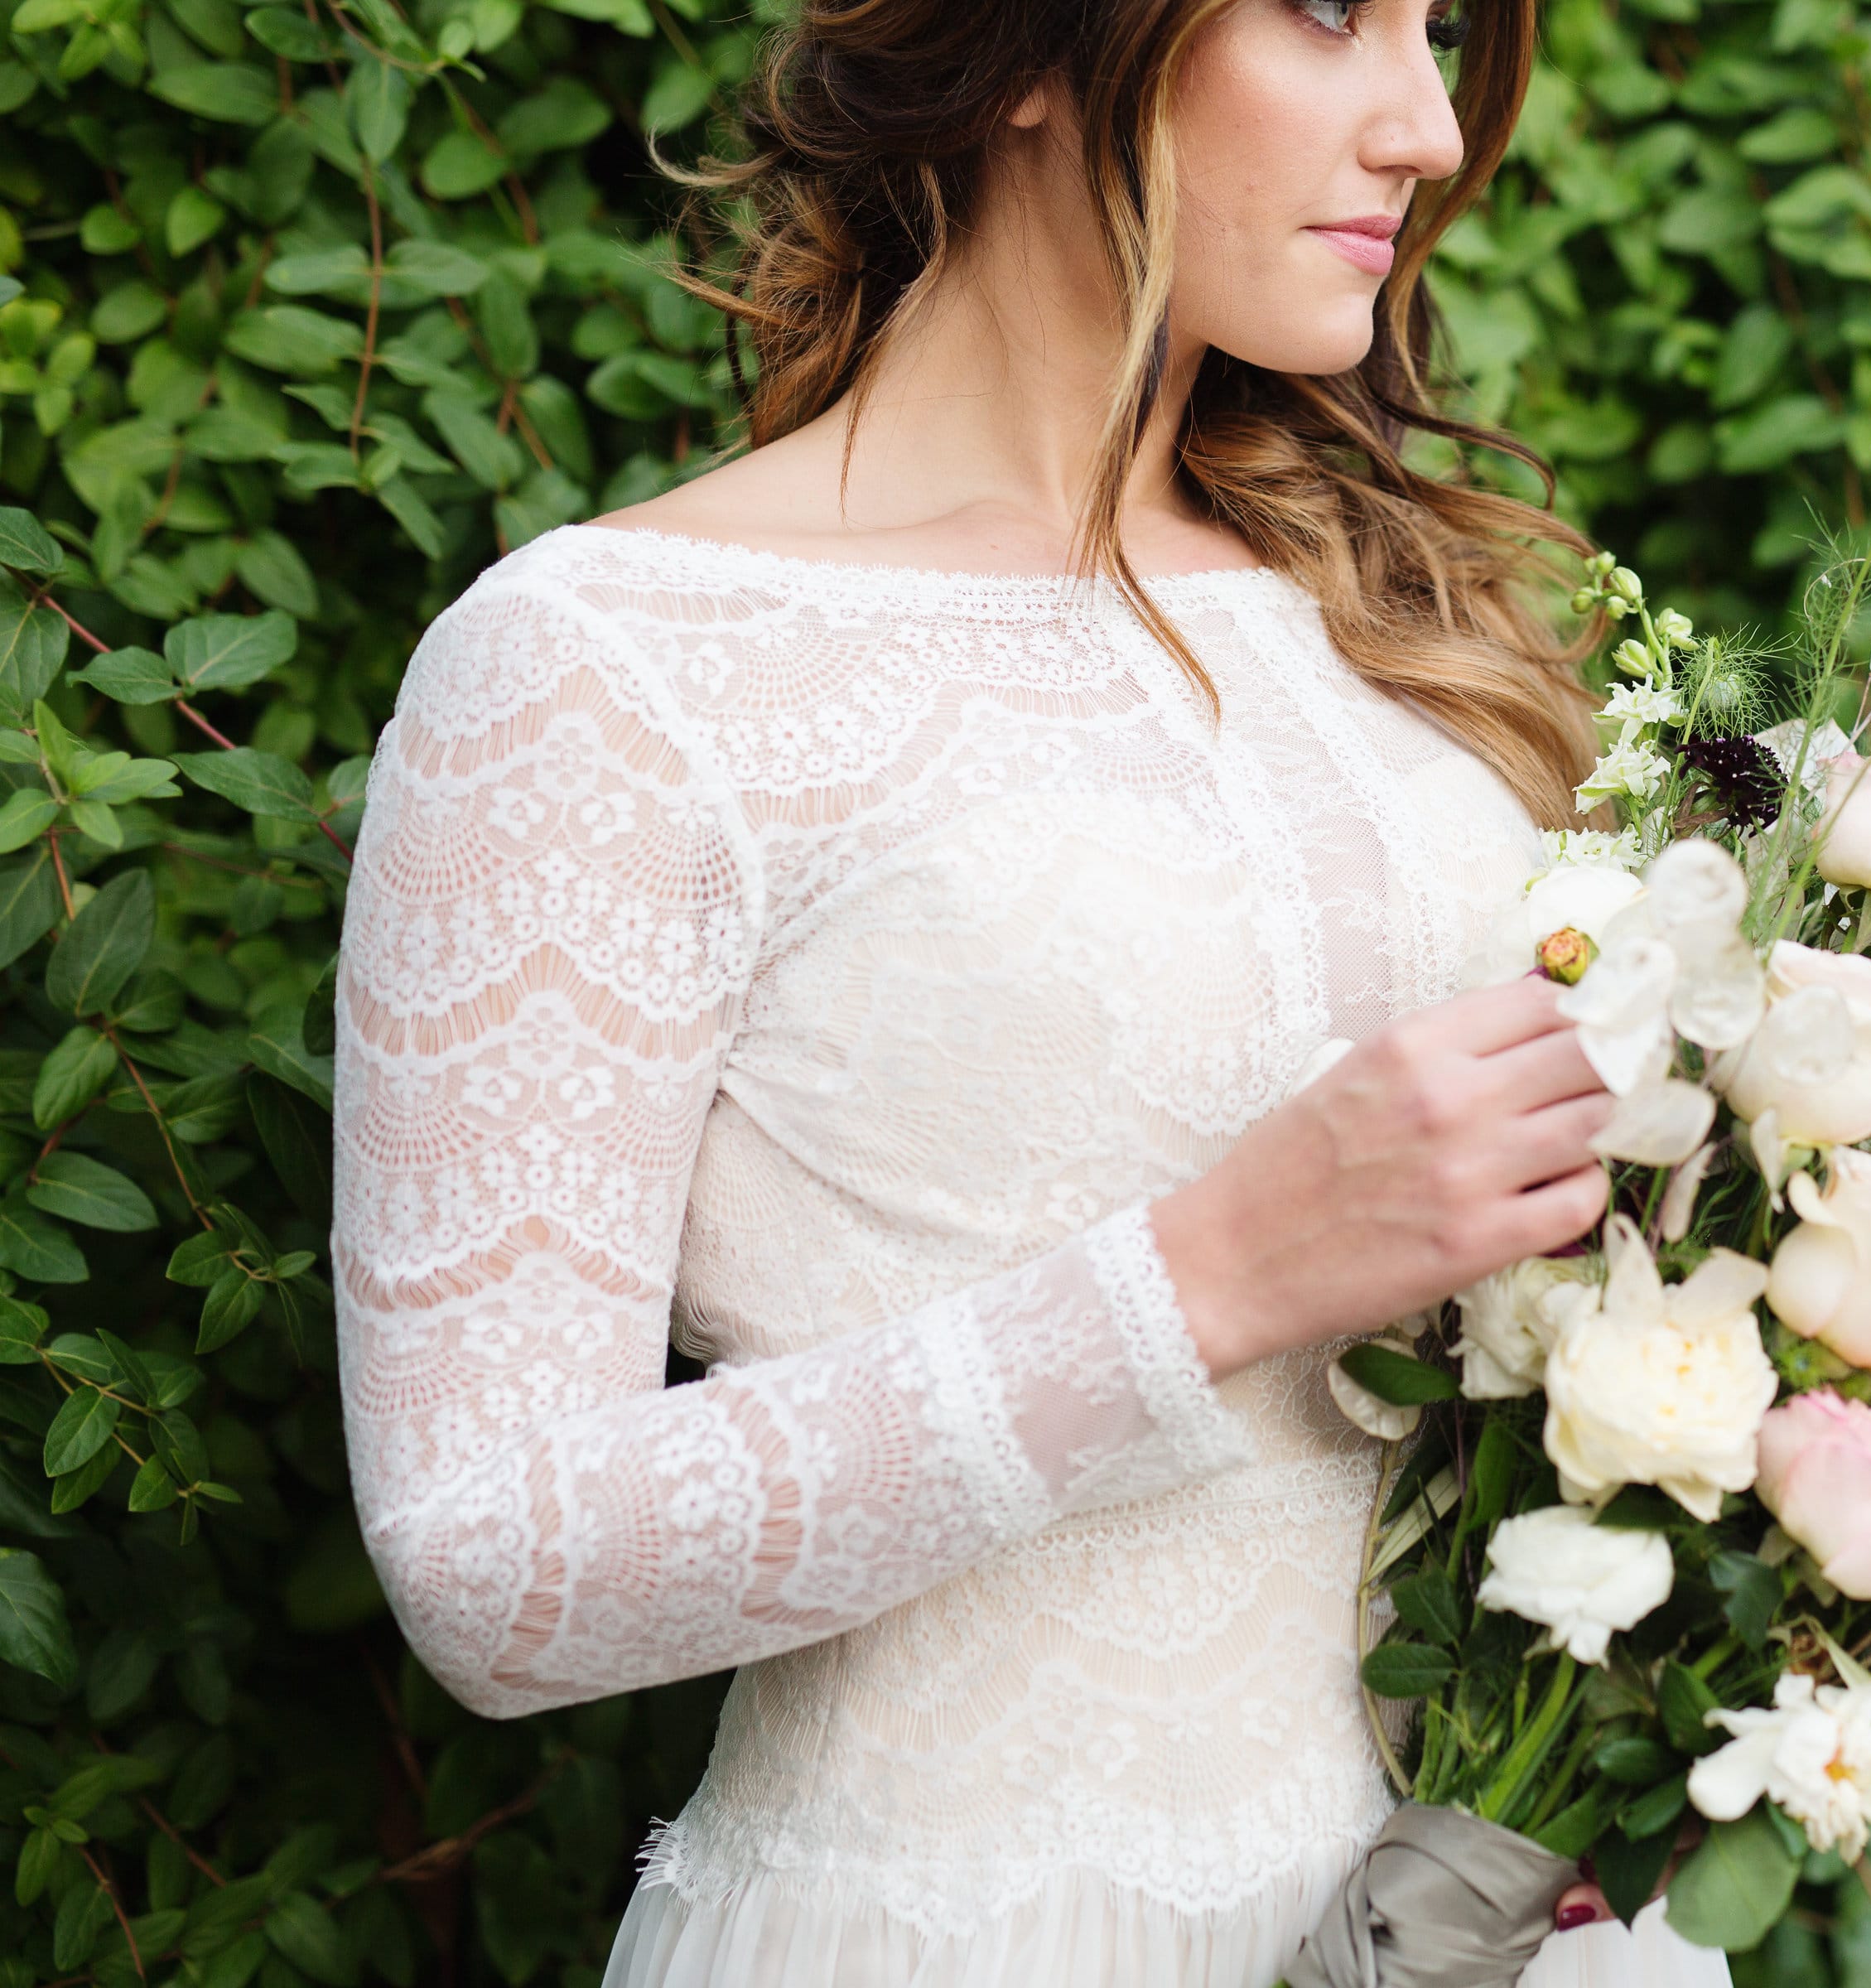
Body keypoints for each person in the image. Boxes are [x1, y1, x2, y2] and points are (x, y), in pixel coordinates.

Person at [330, 0, 1730, 1981]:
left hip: (1485, 1916)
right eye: (1335, 14)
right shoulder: (607, 671)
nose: (1426, 127)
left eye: (1443, 31)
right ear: (1029, 47)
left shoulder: (1412, 623)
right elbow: (493, 1567)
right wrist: (1211, 1273)